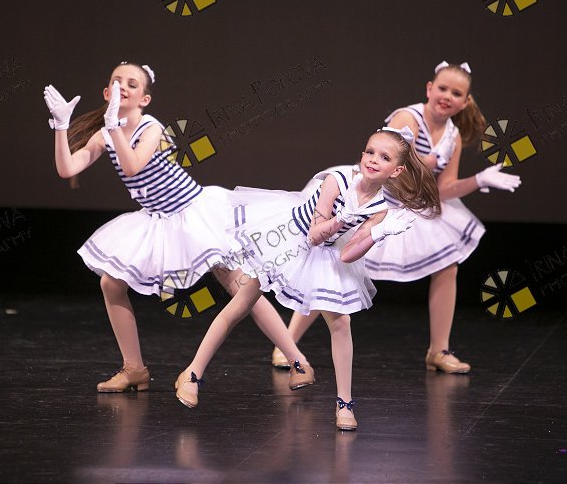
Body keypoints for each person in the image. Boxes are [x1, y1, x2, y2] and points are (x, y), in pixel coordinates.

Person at [43, 61, 314, 393]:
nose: (123, 86)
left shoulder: (151, 127)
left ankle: (298, 361)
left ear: (144, 99)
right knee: (111, 283)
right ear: (106, 92)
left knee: (240, 285)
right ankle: (134, 369)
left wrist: (113, 127)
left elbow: (132, 166)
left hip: (194, 213)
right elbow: (68, 168)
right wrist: (61, 126)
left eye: (131, 84)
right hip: (158, 220)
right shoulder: (104, 135)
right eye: (116, 81)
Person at [175, 127, 441, 432]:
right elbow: (314, 235)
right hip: (289, 237)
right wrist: (345, 217)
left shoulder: (379, 208)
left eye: (384, 157)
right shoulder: (337, 180)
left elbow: (348, 254)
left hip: (327, 253)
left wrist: (377, 233)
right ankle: (192, 374)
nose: (373, 160)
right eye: (370, 152)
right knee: (243, 301)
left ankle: (344, 402)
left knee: (341, 323)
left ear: (396, 170)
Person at [269, 61, 521, 374]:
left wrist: (479, 180)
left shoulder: (452, 136)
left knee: (447, 265)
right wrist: (430, 161)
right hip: (370, 200)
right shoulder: (408, 119)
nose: (447, 96)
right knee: (330, 267)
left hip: (406, 205)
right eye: (442, 88)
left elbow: (442, 190)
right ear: (429, 89)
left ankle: (439, 350)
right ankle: (287, 344)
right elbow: (398, 172)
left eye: (456, 93)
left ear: (465, 102)